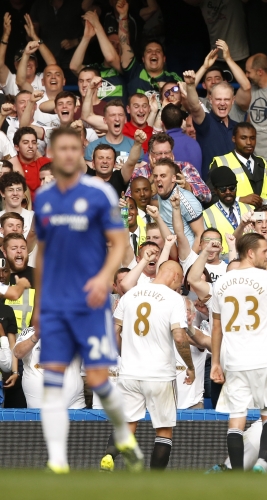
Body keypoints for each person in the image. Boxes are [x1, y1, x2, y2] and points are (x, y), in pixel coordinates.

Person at [34, 127, 142, 473]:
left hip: (90, 303)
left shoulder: (99, 193)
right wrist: (38, 303)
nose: (67, 154)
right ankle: (57, 461)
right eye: (61, 148)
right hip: (56, 303)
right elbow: (43, 252)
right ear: (52, 153)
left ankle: (123, 434)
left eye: (73, 148)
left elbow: (119, 242)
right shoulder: (43, 198)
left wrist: (103, 277)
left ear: (80, 153)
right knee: (52, 380)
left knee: (98, 380)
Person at [100, 260, 193, 471]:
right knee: (164, 430)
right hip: (160, 375)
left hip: (129, 373)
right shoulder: (174, 299)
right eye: (180, 282)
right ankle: (155, 479)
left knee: (127, 424)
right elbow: (179, 337)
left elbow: (114, 331)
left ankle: (109, 455)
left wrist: (125, 354)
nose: (179, 286)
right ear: (176, 276)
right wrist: (190, 366)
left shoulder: (130, 294)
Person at [210, 233, 267, 473]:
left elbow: (217, 327)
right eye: (265, 251)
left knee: (236, 419)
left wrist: (215, 362)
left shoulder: (221, 283)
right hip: (266, 358)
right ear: (250, 252)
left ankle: (237, 474)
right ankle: (262, 462)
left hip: (235, 361)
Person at [11, 326, 84, 409]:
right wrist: (35, 336)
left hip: (75, 402)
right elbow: (17, 353)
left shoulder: (74, 327)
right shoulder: (29, 331)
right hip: (39, 401)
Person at [128, 132, 211, 205]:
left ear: (172, 153)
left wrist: (187, 187)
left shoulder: (185, 167)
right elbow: (129, 200)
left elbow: (207, 195)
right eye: (159, 153)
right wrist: (153, 177)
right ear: (150, 155)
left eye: (167, 152)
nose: (163, 157)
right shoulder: (140, 172)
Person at [183, 70, 237, 178]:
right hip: (211, 185)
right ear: (211, 100)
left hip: (237, 184)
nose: (222, 103)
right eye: (218, 99)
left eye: (226, 99)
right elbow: (194, 107)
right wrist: (190, 86)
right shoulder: (205, 121)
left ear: (233, 100)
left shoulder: (237, 127)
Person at [208, 122, 267, 208]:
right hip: (235, 214)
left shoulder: (262, 163)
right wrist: (239, 199)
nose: (249, 142)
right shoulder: (221, 162)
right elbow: (210, 197)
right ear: (234, 139)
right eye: (243, 138)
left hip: (262, 215)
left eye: (252, 138)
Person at [153, 159, 204, 248]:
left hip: (191, 253)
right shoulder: (162, 193)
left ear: (173, 178)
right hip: (174, 251)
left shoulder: (186, 200)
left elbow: (200, 234)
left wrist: (192, 257)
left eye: (163, 176)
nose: (158, 179)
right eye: (155, 176)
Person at [161, 104, 202, 169]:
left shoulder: (159, 145)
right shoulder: (195, 144)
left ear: (162, 124)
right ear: (182, 122)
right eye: (188, 126)